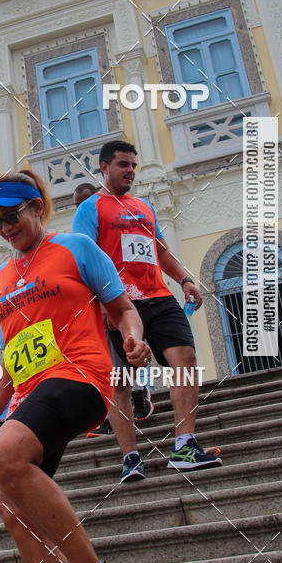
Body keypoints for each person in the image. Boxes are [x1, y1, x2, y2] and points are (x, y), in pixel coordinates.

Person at [0, 170, 152, 563]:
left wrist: (134, 339)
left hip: (80, 375)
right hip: (31, 393)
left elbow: (122, 309)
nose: (5, 228)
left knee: (7, 460)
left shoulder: (74, 248)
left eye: (12, 216)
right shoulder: (5, 280)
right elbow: (12, 363)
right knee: (13, 509)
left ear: (37, 208)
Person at [72, 140, 222, 473]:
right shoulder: (90, 208)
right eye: (123, 164)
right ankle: (131, 457)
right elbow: (82, 260)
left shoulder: (144, 207)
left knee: (185, 359)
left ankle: (184, 446)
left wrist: (184, 280)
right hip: (118, 304)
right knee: (120, 381)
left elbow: (161, 250)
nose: (130, 171)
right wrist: (99, 306)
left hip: (157, 296)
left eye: (133, 165)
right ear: (105, 167)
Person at [73, 182, 152, 447]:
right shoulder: (81, 235)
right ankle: (111, 412)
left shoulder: (115, 224)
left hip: (124, 299)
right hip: (100, 307)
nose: (81, 209)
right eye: (77, 205)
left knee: (129, 351)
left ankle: (140, 396)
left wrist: (110, 305)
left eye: (86, 202)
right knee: (111, 362)